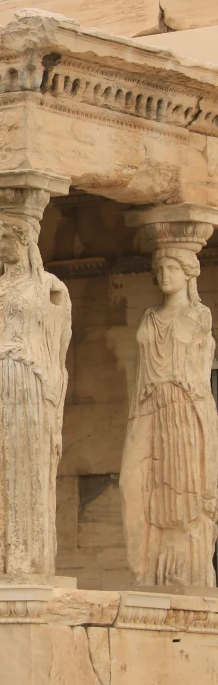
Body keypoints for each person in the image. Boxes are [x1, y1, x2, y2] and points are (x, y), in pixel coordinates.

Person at [0, 216, 71, 576]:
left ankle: (23, 559)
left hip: (26, 380)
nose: (0, 242)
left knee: (23, 466)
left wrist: (54, 407)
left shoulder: (50, 288)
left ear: (25, 239)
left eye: (7, 235)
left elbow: (58, 348)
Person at [121, 247, 218, 587]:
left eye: (172, 267)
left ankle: (182, 576)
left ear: (189, 273)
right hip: (148, 408)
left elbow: (201, 372)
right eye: (160, 267)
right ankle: (148, 570)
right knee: (133, 485)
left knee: (184, 495)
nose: (164, 274)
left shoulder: (198, 317)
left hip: (184, 410)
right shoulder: (149, 316)